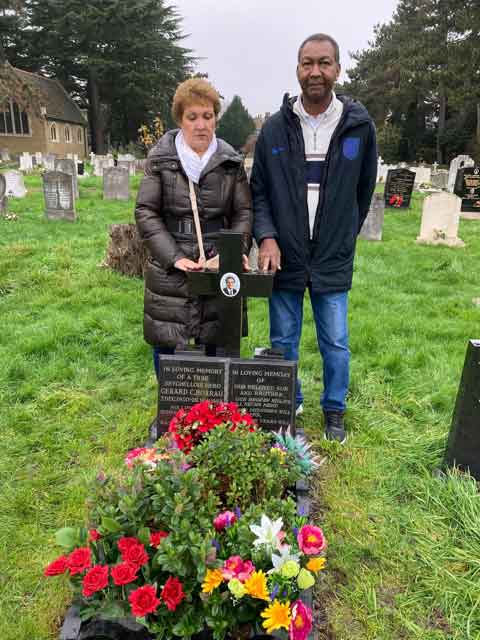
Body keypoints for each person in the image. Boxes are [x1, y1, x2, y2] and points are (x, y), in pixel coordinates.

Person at [251, 33, 377, 443]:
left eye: (324, 63)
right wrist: (267, 237)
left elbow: (363, 190)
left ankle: (334, 409)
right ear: (298, 69)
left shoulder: (358, 125)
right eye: (308, 63)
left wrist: (341, 237)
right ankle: (291, 402)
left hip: (331, 256)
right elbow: (260, 191)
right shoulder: (274, 128)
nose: (315, 72)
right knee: (283, 337)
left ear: (338, 69)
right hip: (283, 255)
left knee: (336, 342)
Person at [135, 78, 252, 377]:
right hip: (170, 262)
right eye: (193, 117)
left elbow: (243, 211)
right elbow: (146, 211)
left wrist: (232, 252)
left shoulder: (230, 162)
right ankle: (172, 410)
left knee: (216, 337)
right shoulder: (160, 160)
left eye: (208, 116)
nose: (201, 125)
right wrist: (174, 257)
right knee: (167, 339)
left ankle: (213, 411)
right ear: (180, 119)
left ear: (215, 118)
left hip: (217, 258)